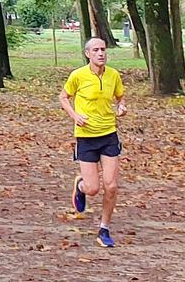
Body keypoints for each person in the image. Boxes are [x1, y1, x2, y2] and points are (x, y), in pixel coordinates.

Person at [59, 36, 125, 249]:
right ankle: (80, 186)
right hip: (86, 137)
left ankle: (104, 229)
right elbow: (63, 97)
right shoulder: (78, 76)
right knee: (93, 188)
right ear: (88, 54)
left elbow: (120, 97)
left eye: (103, 49)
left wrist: (122, 107)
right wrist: (75, 116)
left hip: (109, 135)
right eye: (96, 50)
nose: (101, 53)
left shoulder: (113, 75)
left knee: (112, 186)